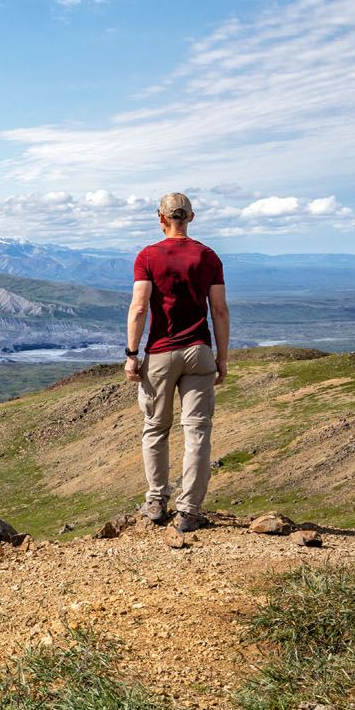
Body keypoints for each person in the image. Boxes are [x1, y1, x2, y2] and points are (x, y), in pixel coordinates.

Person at [124, 192, 230, 533]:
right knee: (197, 431)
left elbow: (139, 307)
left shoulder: (149, 256)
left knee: (155, 428)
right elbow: (220, 310)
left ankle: (156, 501)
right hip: (199, 351)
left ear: (161, 218)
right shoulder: (208, 256)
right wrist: (222, 358)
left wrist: (131, 354)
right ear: (191, 217)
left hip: (160, 352)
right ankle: (189, 510)